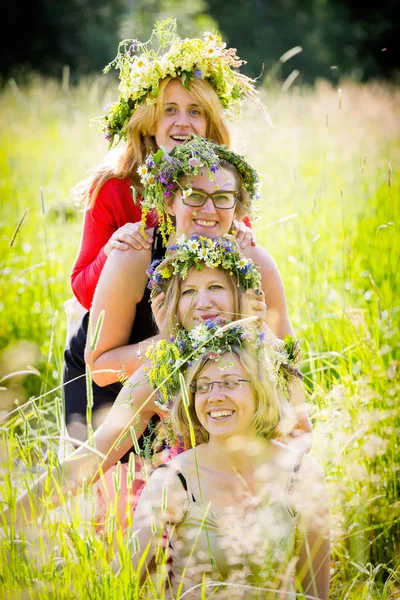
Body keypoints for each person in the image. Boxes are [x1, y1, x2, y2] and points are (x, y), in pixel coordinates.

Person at [63, 20, 263, 448]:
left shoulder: (220, 190)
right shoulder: (116, 187)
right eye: (169, 110)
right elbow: (82, 289)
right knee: (113, 491)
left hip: (189, 365)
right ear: (149, 120)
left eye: (195, 111)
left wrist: (245, 245)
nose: (182, 122)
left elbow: (243, 290)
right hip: (117, 353)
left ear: (210, 124)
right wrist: (113, 251)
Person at [12, 236, 271, 528]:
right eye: (188, 291)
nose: (202, 303)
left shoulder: (265, 358)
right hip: (190, 524)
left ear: (239, 294)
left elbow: (298, 434)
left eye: (215, 287)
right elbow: (92, 456)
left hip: (258, 515)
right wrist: (13, 518)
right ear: (171, 304)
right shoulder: (158, 374)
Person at [130, 324, 330, 599]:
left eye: (231, 382)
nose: (215, 396)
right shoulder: (172, 480)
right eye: (203, 386)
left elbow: (314, 593)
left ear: (261, 390)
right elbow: (126, 582)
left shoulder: (301, 474)